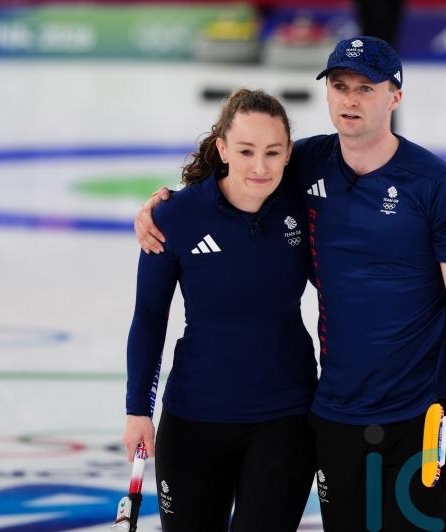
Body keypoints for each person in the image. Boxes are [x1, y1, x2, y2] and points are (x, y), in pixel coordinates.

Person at [136, 37, 446, 532]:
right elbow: (242, 171)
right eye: (340, 86)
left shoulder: (439, 187)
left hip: (420, 416)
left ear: (396, 96)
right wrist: (166, 204)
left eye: (366, 88)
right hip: (335, 414)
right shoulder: (306, 163)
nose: (350, 99)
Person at [122, 89, 317, 532]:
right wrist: (138, 409)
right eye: (246, 151)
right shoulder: (173, 217)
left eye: (273, 152)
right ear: (223, 148)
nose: (260, 166)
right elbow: (150, 317)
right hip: (193, 420)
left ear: (289, 152)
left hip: (285, 419)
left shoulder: (305, 206)